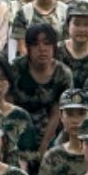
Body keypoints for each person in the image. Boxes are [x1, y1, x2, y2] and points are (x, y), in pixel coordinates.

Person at [13, 23, 73, 158]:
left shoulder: (63, 73)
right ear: (28, 47)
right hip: (18, 131)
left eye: (47, 43)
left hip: (51, 134)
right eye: (35, 44)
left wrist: (43, 149)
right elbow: (9, 106)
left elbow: (57, 113)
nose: (42, 49)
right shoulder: (16, 68)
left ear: (54, 47)